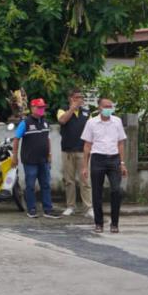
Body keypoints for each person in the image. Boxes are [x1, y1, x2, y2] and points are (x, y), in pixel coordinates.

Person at [80, 98, 127, 233]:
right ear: (99, 108)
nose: (108, 109)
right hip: (98, 159)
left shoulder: (117, 121)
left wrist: (122, 163)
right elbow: (87, 145)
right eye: (106, 106)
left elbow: (121, 143)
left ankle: (114, 223)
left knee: (116, 190)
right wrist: (85, 166)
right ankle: (99, 223)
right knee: (97, 192)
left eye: (110, 106)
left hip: (114, 159)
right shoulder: (91, 123)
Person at [13, 97, 55, 218]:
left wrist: (49, 154)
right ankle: (31, 209)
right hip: (30, 161)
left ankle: (48, 210)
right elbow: (16, 139)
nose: (42, 109)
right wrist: (15, 156)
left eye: (43, 107)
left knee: (46, 184)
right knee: (30, 185)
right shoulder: (25, 123)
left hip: (44, 160)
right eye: (39, 107)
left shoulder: (45, 122)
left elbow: (47, 139)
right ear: (32, 108)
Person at [57, 89, 90, 217]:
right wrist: (72, 109)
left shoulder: (87, 113)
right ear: (71, 98)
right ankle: (71, 206)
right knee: (69, 181)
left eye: (82, 97)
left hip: (83, 151)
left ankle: (88, 208)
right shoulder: (62, 110)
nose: (81, 99)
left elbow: (91, 130)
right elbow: (62, 121)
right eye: (77, 97)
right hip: (67, 151)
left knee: (85, 181)